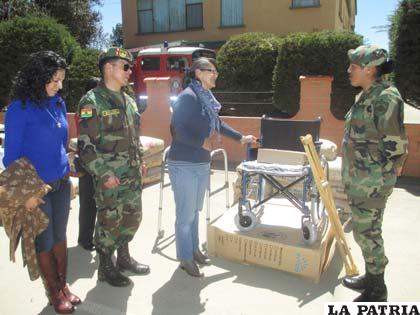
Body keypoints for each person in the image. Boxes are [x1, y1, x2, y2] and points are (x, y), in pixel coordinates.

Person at [3, 51, 80, 314]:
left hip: (61, 183)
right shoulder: (18, 108)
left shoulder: (57, 103)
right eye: (54, 80)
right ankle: (53, 292)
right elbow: (10, 157)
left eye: (61, 80)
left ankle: (64, 285)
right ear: (38, 78)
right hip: (37, 189)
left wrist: (67, 171)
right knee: (44, 241)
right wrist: (27, 194)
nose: (59, 86)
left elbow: (61, 143)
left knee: (60, 236)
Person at [168, 57, 256, 277]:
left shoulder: (205, 98)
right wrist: (201, 143)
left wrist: (241, 137)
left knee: (194, 211)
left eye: (216, 71)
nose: (215, 74)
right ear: (198, 73)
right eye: (210, 70)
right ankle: (185, 257)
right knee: (185, 214)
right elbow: (176, 129)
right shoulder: (187, 97)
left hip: (200, 162)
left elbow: (218, 123)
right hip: (184, 163)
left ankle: (194, 249)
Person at [77, 47, 150, 287]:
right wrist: (103, 173)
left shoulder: (129, 100)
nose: (130, 71)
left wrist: (141, 161)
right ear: (109, 68)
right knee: (109, 221)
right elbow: (85, 145)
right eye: (126, 66)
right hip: (110, 176)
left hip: (131, 172)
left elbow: (134, 137)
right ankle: (105, 266)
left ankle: (124, 259)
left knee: (131, 217)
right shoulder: (92, 101)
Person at [341, 45, 408, 302]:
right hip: (360, 179)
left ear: (369, 70)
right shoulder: (367, 94)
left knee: (368, 232)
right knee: (362, 231)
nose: (349, 71)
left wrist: (382, 182)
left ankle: (377, 290)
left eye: (353, 67)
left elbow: (395, 145)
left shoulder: (386, 98)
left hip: (372, 182)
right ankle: (371, 277)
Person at [76, 77, 100, 251]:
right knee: (88, 203)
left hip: (99, 160)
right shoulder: (86, 106)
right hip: (89, 161)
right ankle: (85, 239)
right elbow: (87, 132)